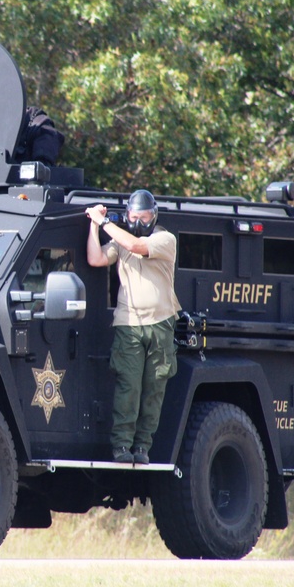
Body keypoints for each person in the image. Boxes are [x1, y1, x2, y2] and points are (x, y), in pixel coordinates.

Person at [85, 190, 181, 465]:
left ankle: (142, 446)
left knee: (154, 389)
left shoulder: (164, 239)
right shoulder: (121, 242)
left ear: (154, 217)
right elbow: (95, 259)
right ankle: (122, 446)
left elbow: (138, 246)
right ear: (126, 216)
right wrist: (94, 224)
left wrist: (105, 224)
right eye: (133, 217)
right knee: (129, 387)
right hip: (129, 325)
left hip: (161, 325)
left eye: (144, 217)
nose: (138, 222)